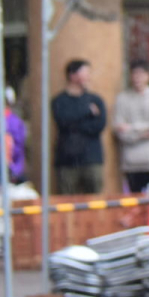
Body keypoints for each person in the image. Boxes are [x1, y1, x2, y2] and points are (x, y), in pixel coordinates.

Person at [51, 58, 107, 195]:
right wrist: (87, 112)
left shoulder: (95, 99)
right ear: (73, 75)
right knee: (66, 201)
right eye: (85, 72)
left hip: (91, 157)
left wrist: (75, 124)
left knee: (95, 200)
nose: (89, 76)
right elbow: (63, 122)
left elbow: (99, 125)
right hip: (67, 159)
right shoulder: (59, 101)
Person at [113, 59, 149, 194]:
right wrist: (143, 132)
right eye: (134, 74)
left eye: (141, 74)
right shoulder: (122, 98)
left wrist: (132, 128)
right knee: (134, 200)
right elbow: (119, 129)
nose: (137, 77)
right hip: (131, 163)